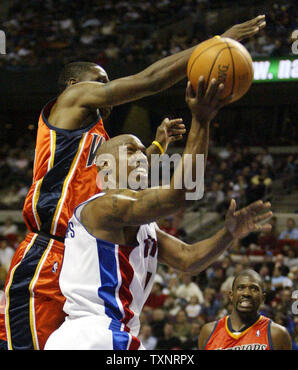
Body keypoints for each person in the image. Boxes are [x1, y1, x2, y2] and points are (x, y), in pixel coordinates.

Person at [0, 15, 267, 351]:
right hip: (46, 250)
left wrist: (156, 148)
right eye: (100, 81)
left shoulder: (99, 146)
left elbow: (114, 175)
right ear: (73, 85)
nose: (107, 90)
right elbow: (150, 80)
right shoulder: (70, 104)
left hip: (77, 253)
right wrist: (213, 45)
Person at [44, 78, 272, 350]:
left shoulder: (140, 223)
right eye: (131, 150)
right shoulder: (102, 206)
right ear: (105, 165)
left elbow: (189, 260)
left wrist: (229, 234)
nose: (142, 156)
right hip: (92, 335)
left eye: (144, 151)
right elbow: (181, 192)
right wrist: (201, 120)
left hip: (109, 335)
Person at [198, 269, 292, 350]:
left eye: (254, 289)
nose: (246, 293)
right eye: (241, 288)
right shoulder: (208, 332)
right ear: (231, 295)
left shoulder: (277, 334)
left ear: (263, 298)